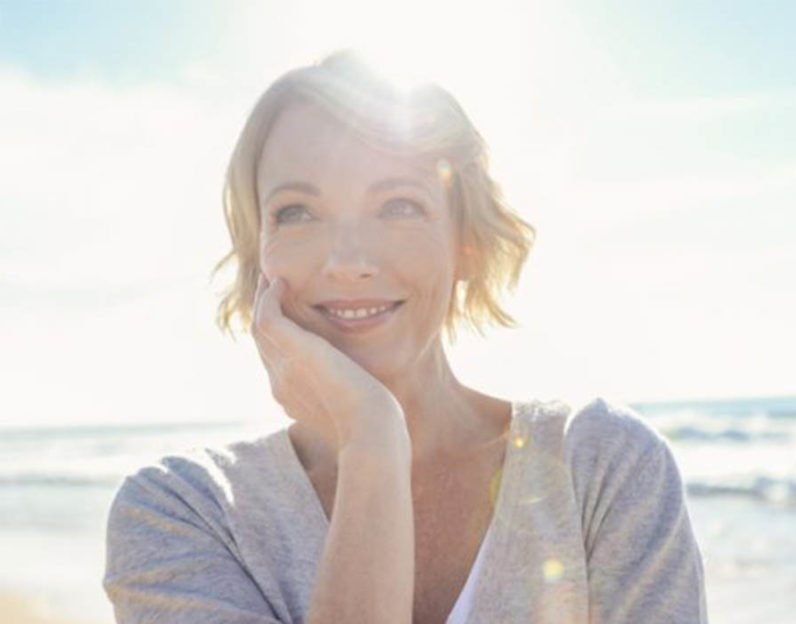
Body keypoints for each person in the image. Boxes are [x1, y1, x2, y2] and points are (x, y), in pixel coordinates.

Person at [102, 50, 709, 623]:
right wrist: (372, 442)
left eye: (397, 206)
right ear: (257, 250)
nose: (347, 261)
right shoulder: (180, 512)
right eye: (296, 212)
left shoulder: (603, 466)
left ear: (465, 241)